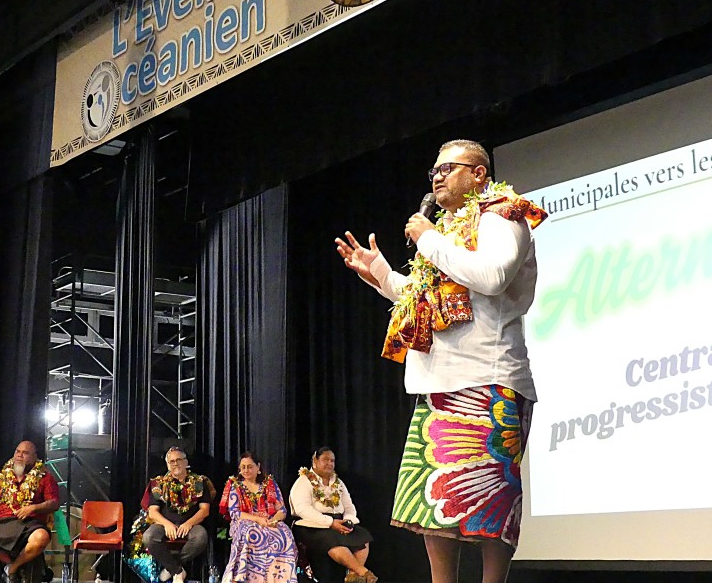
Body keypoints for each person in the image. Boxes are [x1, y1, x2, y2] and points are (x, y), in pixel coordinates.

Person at [334, 139, 547, 583]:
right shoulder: (447, 230)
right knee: (434, 502)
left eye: (448, 168)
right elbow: (425, 299)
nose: (437, 177)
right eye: (434, 170)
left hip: (489, 379)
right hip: (438, 384)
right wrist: (380, 272)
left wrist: (428, 238)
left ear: (479, 174)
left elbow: (491, 276)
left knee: (491, 501)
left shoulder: (502, 215)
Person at [0, 440, 60, 583]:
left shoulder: (45, 478)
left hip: (29, 524)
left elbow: (54, 503)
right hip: (1, 524)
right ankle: (9, 561)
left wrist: (33, 508)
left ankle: (12, 569)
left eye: (25, 453)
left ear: (35, 457)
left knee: (41, 537)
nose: (19, 455)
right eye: (17, 452)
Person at [289, 447, 376, 583]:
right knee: (332, 539)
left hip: (338, 523)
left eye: (332, 461)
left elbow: (349, 507)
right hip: (310, 524)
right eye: (325, 460)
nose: (329, 463)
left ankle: (353, 576)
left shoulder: (338, 483)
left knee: (362, 536)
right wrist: (330, 523)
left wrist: (348, 522)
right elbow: (302, 509)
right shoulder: (303, 481)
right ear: (315, 461)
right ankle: (363, 573)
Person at [140, 446, 216, 583]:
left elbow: (204, 510)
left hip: (190, 524)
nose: (175, 464)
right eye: (172, 461)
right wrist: (167, 524)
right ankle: (178, 571)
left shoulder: (199, 482)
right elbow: (152, 512)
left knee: (201, 537)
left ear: (186, 462)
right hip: (164, 524)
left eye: (179, 460)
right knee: (149, 537)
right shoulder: (159, 483)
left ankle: (171, 568)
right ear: (168, 465)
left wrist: (189, 524)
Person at [218, 451, 297, 583]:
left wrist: (274, 520)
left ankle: (279, 578)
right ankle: (246, 578)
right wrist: (258, 519)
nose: (246, 470)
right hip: (244, 521)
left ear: (258, 467)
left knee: (284, 532)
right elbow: (235, 513)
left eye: (250, 467)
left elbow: (282, 510)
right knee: (251, 532)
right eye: (243, 467)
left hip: (268, 520)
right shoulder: (235, 485)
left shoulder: (269, 483)